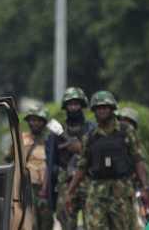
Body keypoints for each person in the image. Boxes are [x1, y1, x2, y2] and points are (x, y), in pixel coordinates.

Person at [65, 91, 149, 230]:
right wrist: (70, 192)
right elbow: (82, 167)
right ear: (94, 110)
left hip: (122, 191)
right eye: (98, 108)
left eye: (105, 107)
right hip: (97, 191)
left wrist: (144, 187)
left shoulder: (126, 131)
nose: (102, 110)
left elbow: (138, 160)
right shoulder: (90, 137)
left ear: (112, 108)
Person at [44, 87, 95, 230]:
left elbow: (98, 154)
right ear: (65, 107)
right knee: (66, 222)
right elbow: (51, 160)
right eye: (70, 104)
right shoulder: (57, 131)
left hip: (88, 180)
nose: (73, 107)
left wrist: (81, 148)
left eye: (76, 104)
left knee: (93, 223)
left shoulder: (92, 129)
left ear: (82, 105)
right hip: (65, 183)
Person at [118, 107, 149, 228]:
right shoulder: (109, 142)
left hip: (133, 194)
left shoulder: (138, 148)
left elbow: (145, 182)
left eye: (129, 122)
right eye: (122, 120)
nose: (125, 125)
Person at [23, 108, 54, 230]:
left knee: (46, 222)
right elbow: (11, 159)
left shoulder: (50, 140)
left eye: (39, 120)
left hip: (46, 187)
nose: (35, 123)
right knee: (30, 222)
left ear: (44, 122)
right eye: (32, 120)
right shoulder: (22, 138)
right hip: (27, 186)